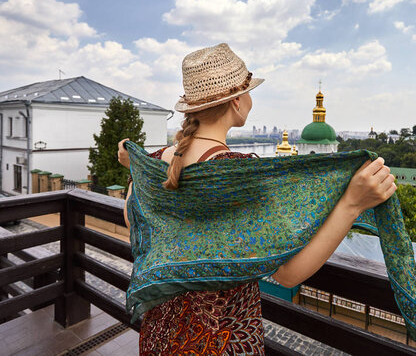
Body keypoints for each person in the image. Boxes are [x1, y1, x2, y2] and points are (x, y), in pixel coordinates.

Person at [117, 43, 396, 355]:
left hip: (161, 335)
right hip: (221, 342)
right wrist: (351, 204)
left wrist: (135, 168)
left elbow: (132, 218)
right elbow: (287, 274)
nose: (251, 97)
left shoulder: (155, 160)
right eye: (249, 89)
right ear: (236, 101)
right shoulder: (241, 175)